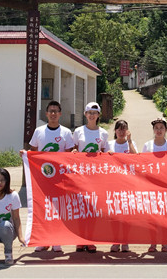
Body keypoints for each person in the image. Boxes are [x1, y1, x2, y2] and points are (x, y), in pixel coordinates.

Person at [28, 100, 74, 252]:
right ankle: (43, 240)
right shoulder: (39, 131)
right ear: (46, 114)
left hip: (59, 178)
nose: (53, 114)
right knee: (43, 208)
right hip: (42, 177)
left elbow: (69, 155)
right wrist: (26, 155)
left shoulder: (66, 132)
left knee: (58, 209)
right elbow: (33, 152)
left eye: (56, 111)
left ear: (60, 114)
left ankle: (56, 240)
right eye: (51, 111)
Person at [72, 101, 109, 253]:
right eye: (89, 113)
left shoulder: (103, 133)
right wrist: (74, 152)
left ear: (98, 115)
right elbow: (73, 149)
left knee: (93, 208)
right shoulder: (78, 131)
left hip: (96, 176)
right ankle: (80, 240)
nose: (92, 115)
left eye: (94, 113)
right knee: (81, 208)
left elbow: (106, 154)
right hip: (81, 175)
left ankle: (91, 240)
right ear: (85, 114)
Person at [142, 116, 167, 253]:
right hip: (151, 185)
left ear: (166, 130)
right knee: (152, 215)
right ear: (153, 130)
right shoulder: (148, 145)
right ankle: (152, 243)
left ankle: (164, 243)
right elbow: (143, 164)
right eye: (156, 128)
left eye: (161, 128)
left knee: (165, 215)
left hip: (166, 184)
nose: (159, 130)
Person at [107, 119, 138, 252]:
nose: (121, 132)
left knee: (126, 215)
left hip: (128, 184)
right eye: (119, 129)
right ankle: (115, 241)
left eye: (124, 129)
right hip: (113, 184)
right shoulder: (109, 144)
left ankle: (125, 240)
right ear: (115, 131)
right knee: (114, 215)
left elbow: (136, 157)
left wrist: (129, 141)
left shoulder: (131, 144)